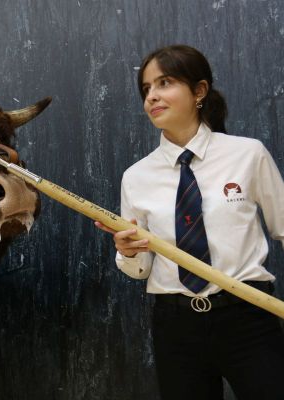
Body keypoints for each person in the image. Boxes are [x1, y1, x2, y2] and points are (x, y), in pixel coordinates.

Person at [95, 44, 284, 400]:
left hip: (248, 317)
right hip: (176, 326)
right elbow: (139, 269)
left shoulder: (248, 154)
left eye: (164, 83)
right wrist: (128, 251)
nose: (152, 96)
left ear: (199, 91)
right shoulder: (136, 176)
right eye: (146, 89)